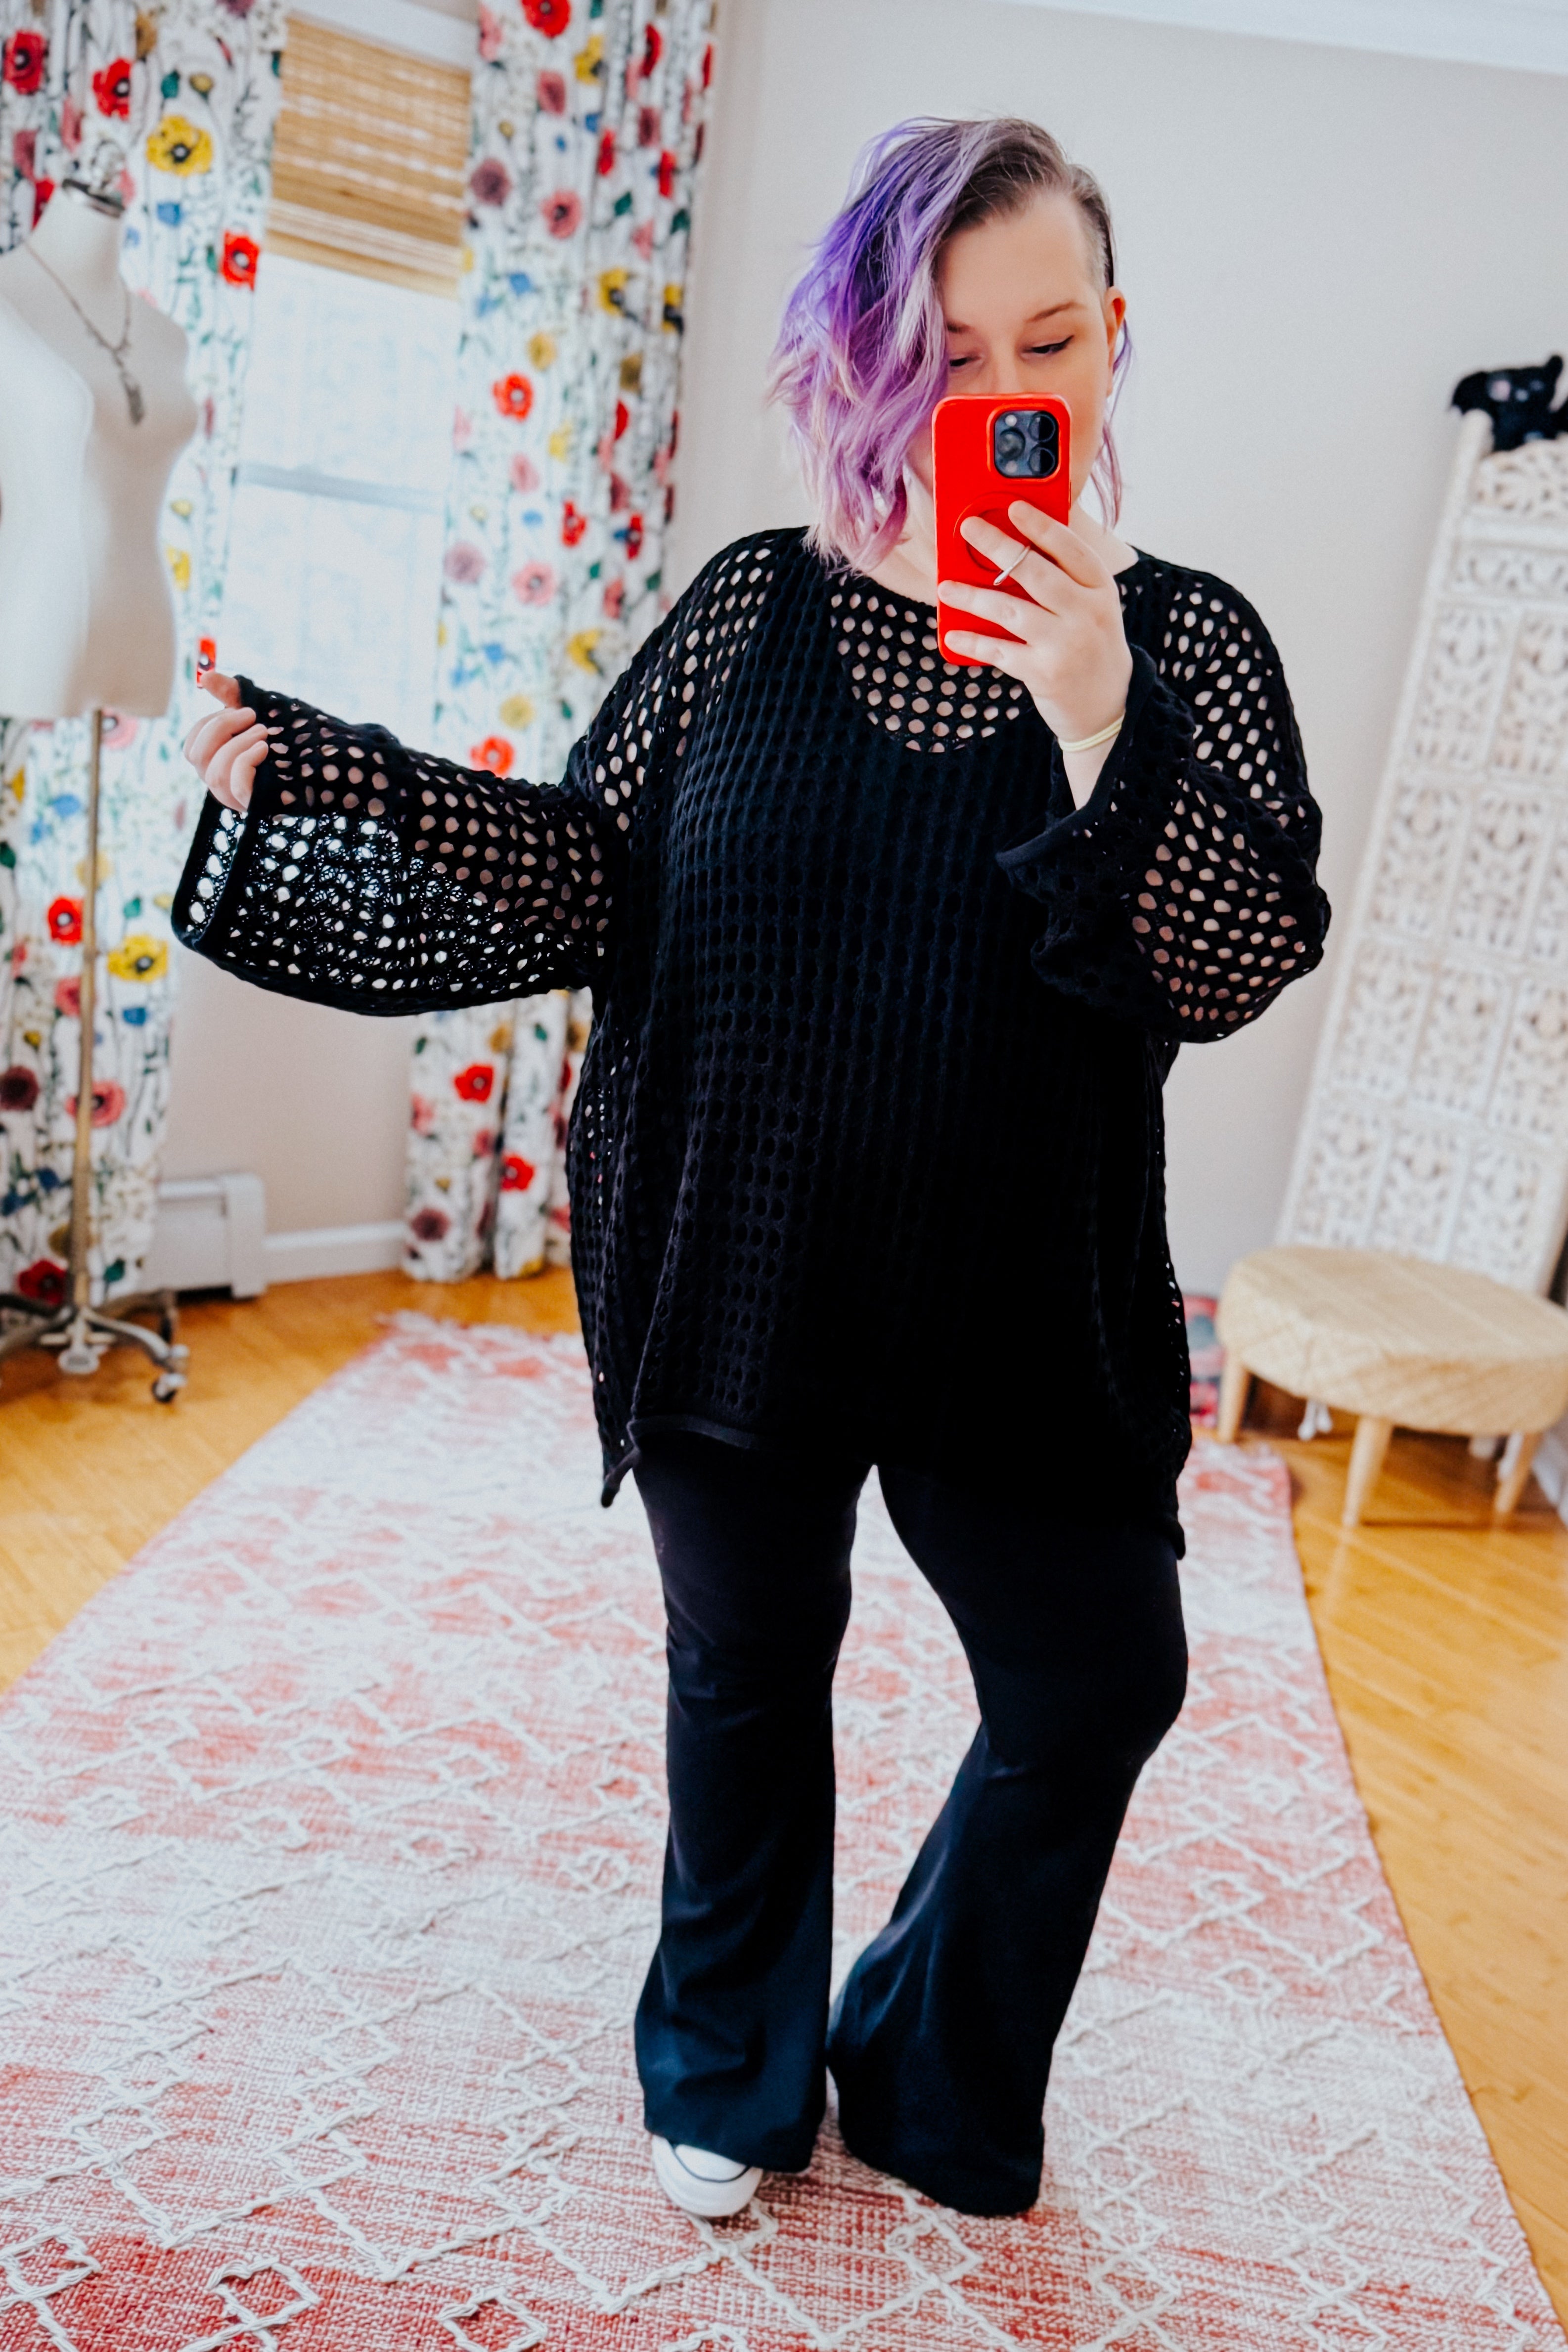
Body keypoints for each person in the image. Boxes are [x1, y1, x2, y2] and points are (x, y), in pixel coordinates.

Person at [178, 116, 1329, 2221]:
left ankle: (929, 2050)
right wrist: (344, 778)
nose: (1004, 395)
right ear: (879, 364)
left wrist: (1096, 711)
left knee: (1099, 1678)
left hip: (1021, 1290)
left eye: (1049, 342)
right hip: (750, 1252)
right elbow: (591, 870)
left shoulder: (1187, 648)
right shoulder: (745, 614)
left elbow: (1235, 949)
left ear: (1112, 340)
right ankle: (727, 2059)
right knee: (749, 1665)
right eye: (949, 351)